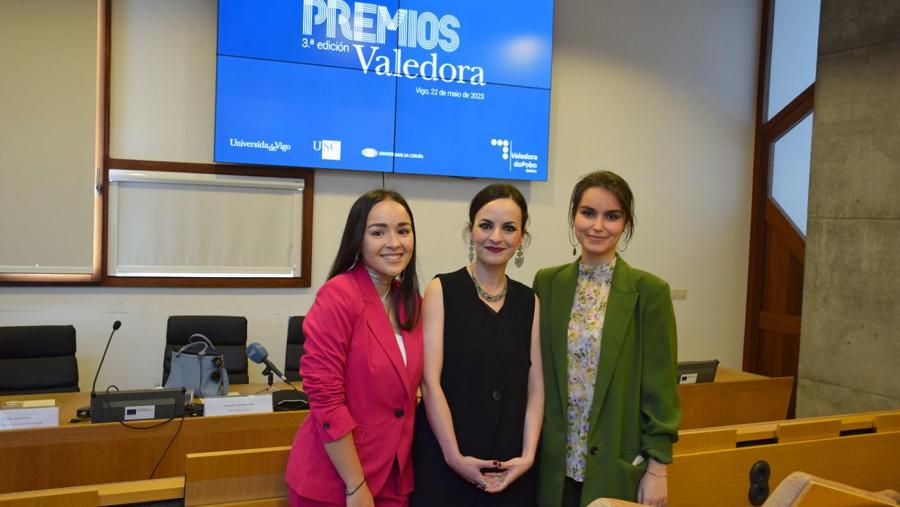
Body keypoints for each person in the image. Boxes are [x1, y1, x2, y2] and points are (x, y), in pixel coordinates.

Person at [532, 171, 680, 507]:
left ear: (625, 224)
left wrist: (658, 468)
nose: (598, 226)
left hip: (615, 464)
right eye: (588, 213)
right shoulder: (547, 284)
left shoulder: (650, 292)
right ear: (573, 217)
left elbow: (661, 390)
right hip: (553, 467)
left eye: (611, 216)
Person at [285, 189, 423, 507]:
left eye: (403, 230)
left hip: (393, 477)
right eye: (378, 232)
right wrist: (354, 484)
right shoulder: (339, 295)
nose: (395, 243)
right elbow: (324, 396)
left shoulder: (411, 301)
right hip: (337, 480)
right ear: (358, 239)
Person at [411, 184, 544, 507]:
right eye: (486, 225)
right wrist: (454, 456)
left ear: (522, 238)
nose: (496, 237)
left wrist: (527, 457)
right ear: (471, 231)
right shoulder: (442, 289)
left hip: (511, 465)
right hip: (447, 461)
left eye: (509, 228)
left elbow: (536, 386)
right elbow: (430, 382)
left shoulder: (530, 300)